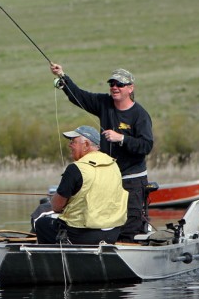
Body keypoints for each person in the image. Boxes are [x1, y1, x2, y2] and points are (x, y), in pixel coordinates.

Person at [50, 63, 153, 242]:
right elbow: (79, 96)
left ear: (130, 88)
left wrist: (121, 138)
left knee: (130, 225)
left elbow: (146, 146)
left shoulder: (140, 115)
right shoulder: (104, 104)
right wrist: (63, 77)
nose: (114, 87)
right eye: (112, 84)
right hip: (108, 178)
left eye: (119, 84)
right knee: (108, 221)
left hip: (132, 180)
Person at [34, 125, 128, 244]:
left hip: (83, 235)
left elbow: (56, 207)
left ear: (86, 145)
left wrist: (54, 200)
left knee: (41, 223)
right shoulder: (113, 164)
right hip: (112, 233)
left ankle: (54, 261)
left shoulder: (76, 168)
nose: (70, 145)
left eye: (73, 141)